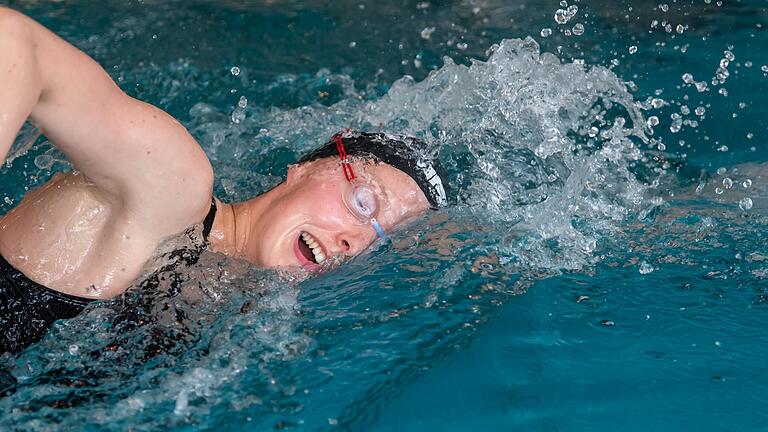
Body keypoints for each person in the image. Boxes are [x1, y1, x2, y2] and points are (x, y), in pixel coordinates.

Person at [0, 7, 448, 353]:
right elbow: (15, 43)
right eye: (365, 202)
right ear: (305, 169)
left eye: (380, 236)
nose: (356, 242)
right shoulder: (173, 192)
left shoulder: (233, 316)